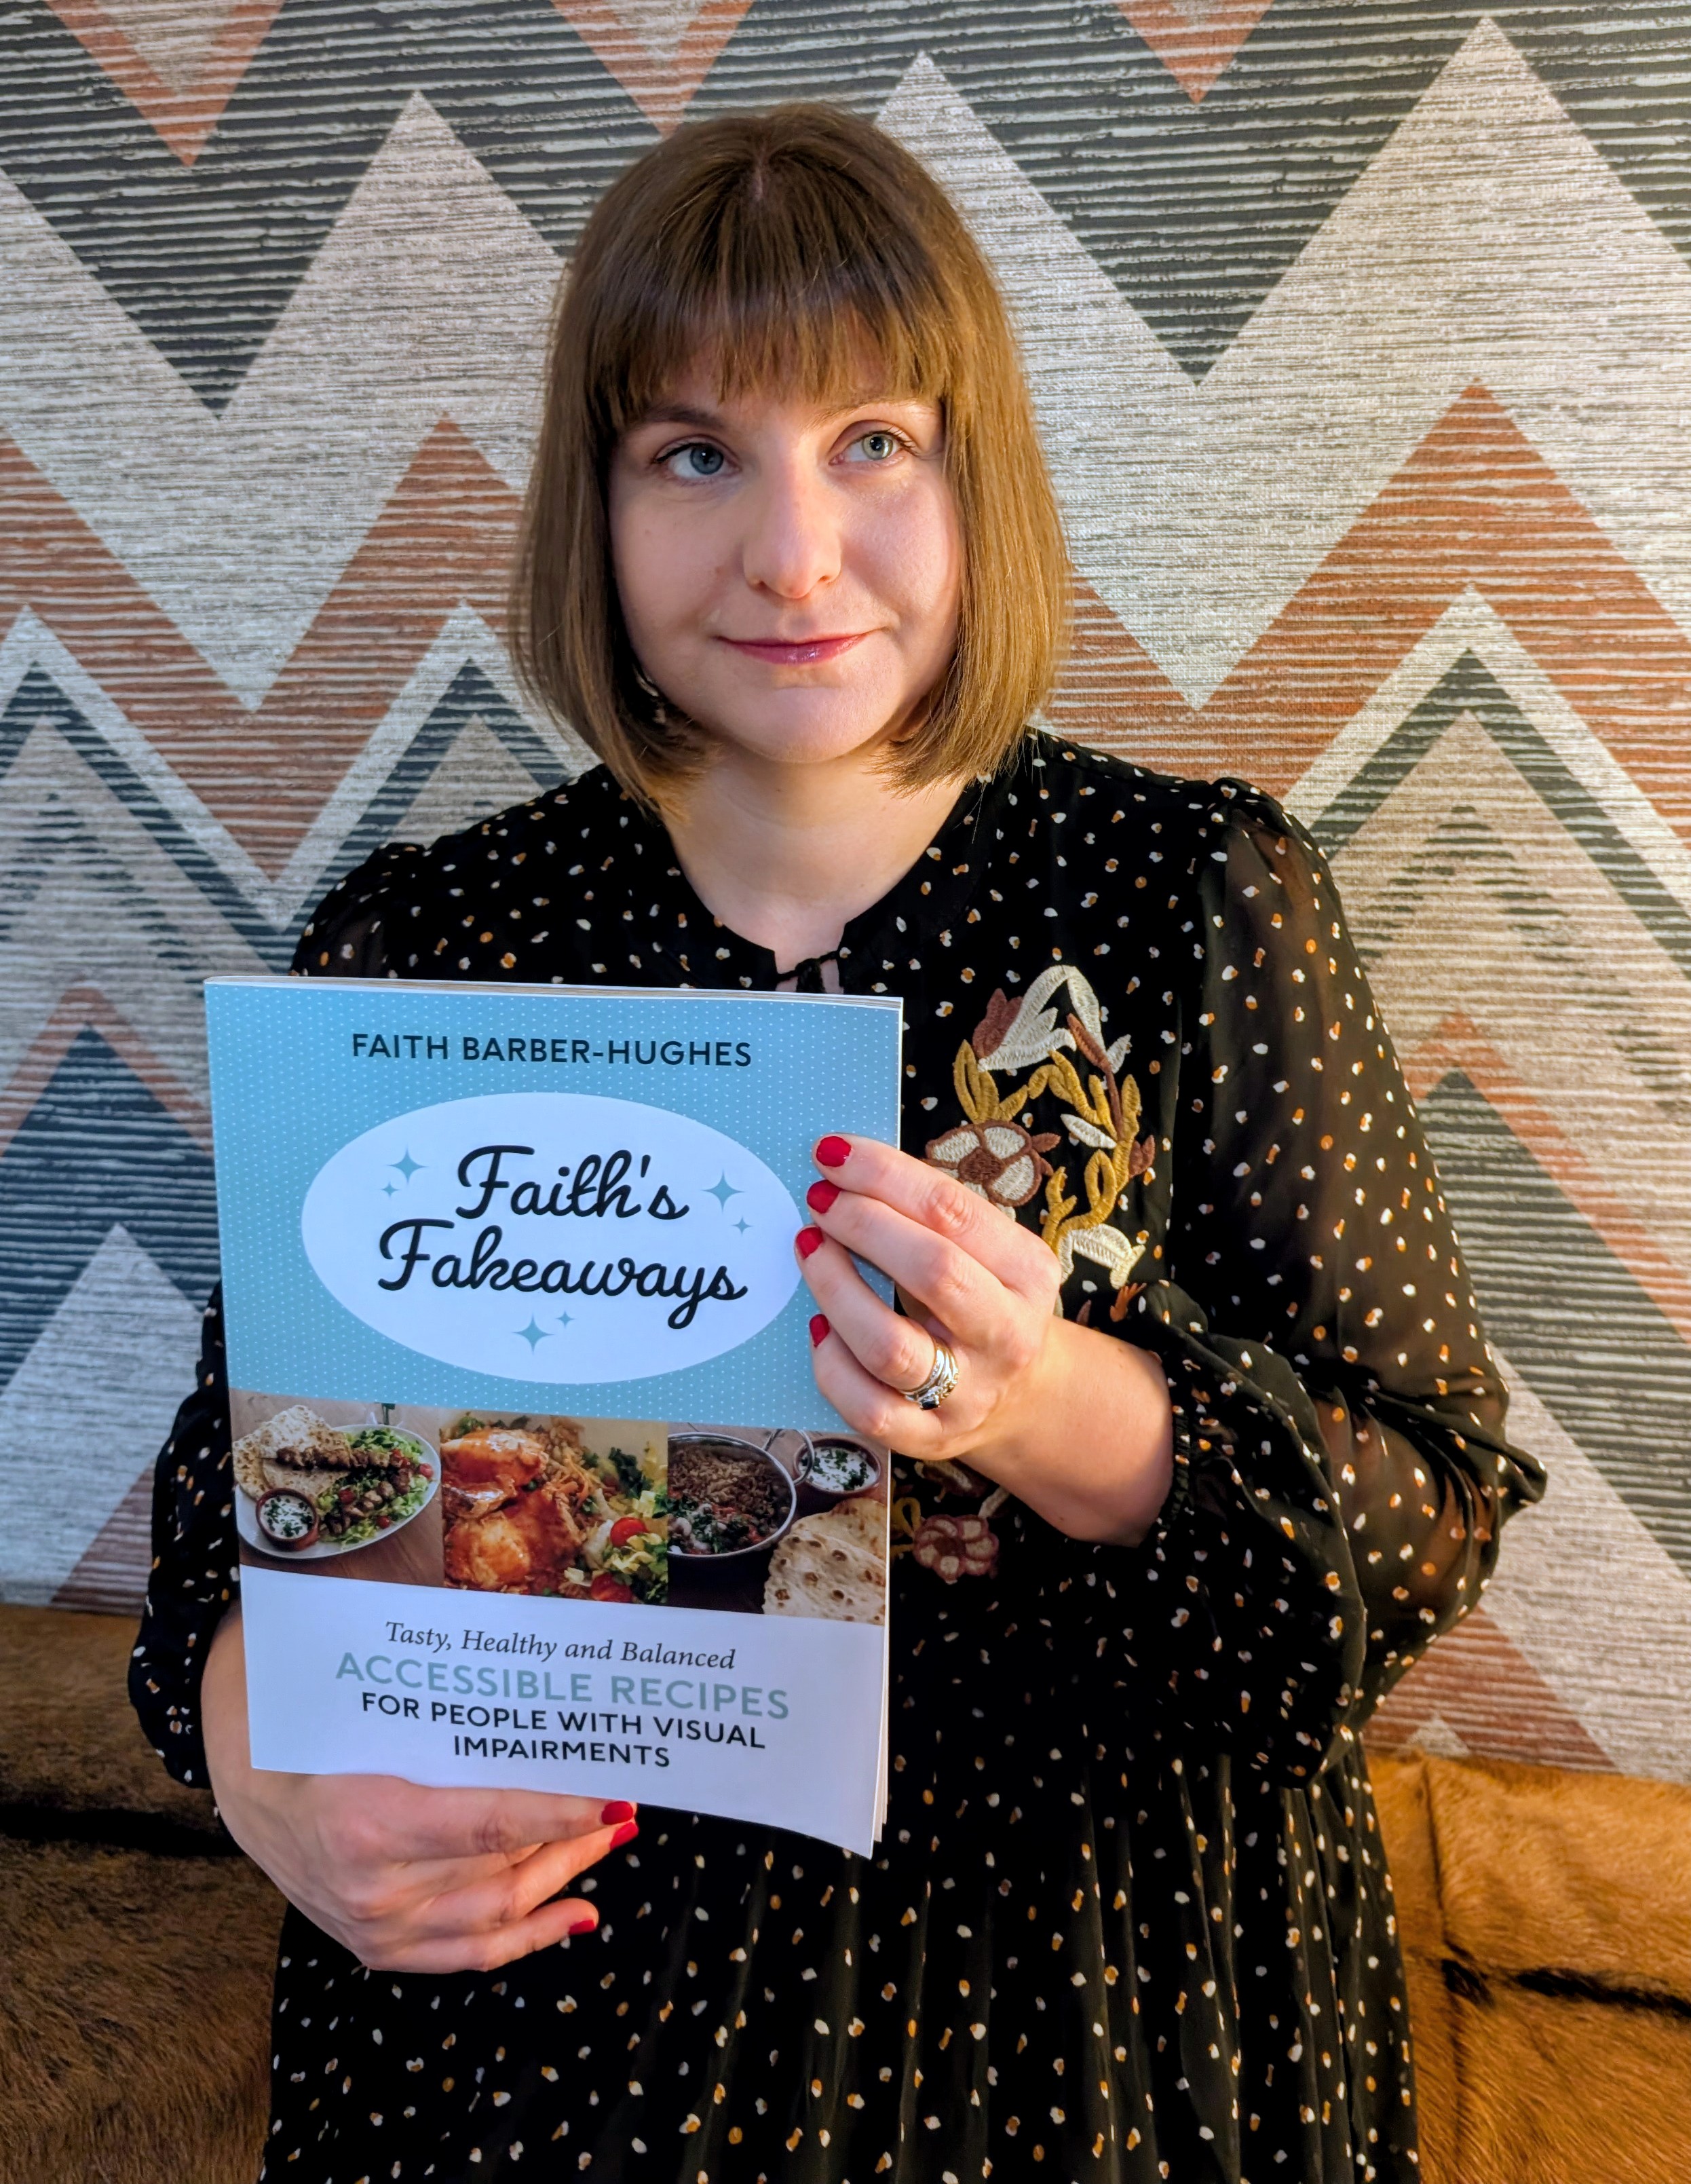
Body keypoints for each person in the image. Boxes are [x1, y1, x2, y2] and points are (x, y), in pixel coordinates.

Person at [131, 103, 1542, 2184]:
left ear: (977, 478)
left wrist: (1045, 1398)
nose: (791, 553)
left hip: (1088, 2019)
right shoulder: (431, 945)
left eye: (872, 440)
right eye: (693, 454)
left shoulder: (1191, 900)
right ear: (597, 502)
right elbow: (239, 1504)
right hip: (552, 2036)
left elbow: (1414, 1532)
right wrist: (259, 1755)